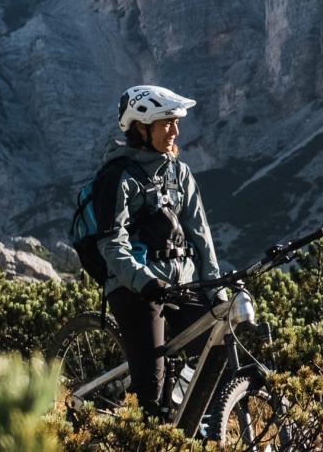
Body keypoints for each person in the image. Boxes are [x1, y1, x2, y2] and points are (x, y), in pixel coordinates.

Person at [86, 85, 223, 421]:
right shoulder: (119, 177)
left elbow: (201, 236)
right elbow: (111, 244)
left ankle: (192, 430)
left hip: (180, 284)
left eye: (176, 123)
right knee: (151, 388)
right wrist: (144, 281)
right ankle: (136, 430)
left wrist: (214, 288)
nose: (175, 131)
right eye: (166, 124)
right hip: (135, 288)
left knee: (214, 355)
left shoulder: (180, 173)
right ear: (141, 128)